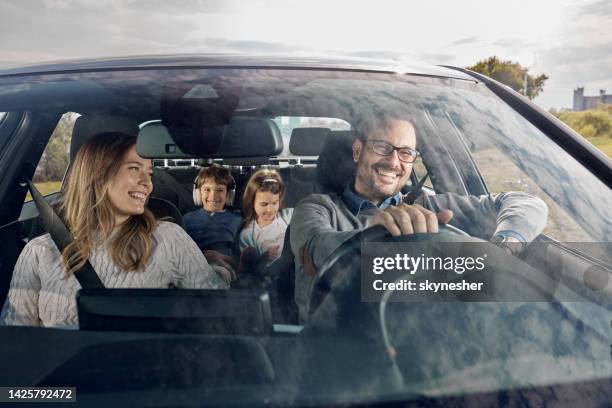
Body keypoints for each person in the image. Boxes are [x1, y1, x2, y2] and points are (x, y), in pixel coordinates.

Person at [290, 116, 549, 322]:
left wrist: (503, 247)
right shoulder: (317, 207)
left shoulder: (429, 204)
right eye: (382, 147)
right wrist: (375, 233)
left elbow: (527, 203)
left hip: (421, 340)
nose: (394, 162)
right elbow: (313, 247)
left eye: (405, 153)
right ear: (358, 151)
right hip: (335, 344)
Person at [0, 132, 229, 327]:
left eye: (149, 173)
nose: (148, 183)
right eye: (134, 168)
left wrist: (222, 270)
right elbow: (14, 340)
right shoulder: (39, 252)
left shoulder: (166, 238)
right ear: (98, 174)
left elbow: (219, 310)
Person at [184, 165, 242, 277]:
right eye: (207, 189)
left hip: (223, 267)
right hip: (191, 266)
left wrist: (224, 258)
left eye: (220, 190)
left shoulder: (237, 221)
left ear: (229, 195)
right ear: (198, 193)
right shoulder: (187, 219)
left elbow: (242, 260)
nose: (213, 195)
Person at [239, 169, 293, 274]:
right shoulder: (247, 234)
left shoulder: (288, 216)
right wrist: (263, 259)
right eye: (264, 204)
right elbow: (248, 269)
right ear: (252, 202)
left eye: (274, 203)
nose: (270, 210)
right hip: (269, 277)